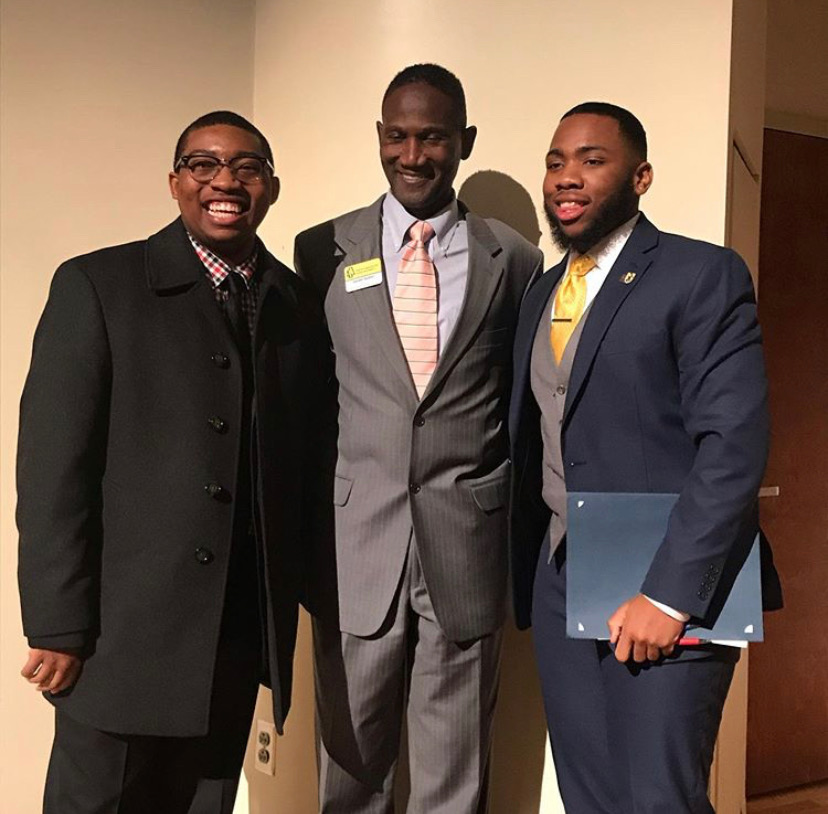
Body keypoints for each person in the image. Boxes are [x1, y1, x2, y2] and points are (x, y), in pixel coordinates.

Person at [17, 110, 332, 814]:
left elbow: (306, 465)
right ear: (175, 182)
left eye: (247, 167)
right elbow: (51, 474)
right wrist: (58, 626)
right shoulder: (98, 286)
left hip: (235, 637)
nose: (226, 181)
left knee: (205, 804)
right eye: (204, 165)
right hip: (118, 639)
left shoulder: (296, 306)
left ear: (272, 186)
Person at [509, 102, 782, 813]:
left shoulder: (700, 274)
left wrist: (669, 595)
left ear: (641, 176)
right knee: (589, 797)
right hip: (563, 579)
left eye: (592, 161)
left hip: (668, 586)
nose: (567, 177)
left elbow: (734, 444)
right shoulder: (542, 292)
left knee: (660, 799)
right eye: (556, 160)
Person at [294, 63, 543, 812]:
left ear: (462, 141)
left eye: (431, 136)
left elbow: (515, 401)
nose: (411, 155)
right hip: (354, 546)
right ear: (378, 137)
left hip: (464, 544)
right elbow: (305, 405)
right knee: (350, 765)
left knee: (454, 771)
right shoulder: (321, 251)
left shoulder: (514, 258)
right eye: (397, 136)